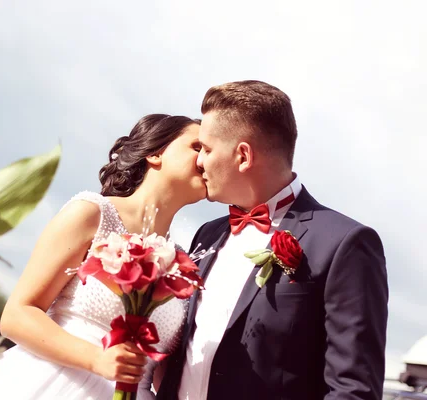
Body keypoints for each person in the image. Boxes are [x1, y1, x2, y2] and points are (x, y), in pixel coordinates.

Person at [157, 80, 389, 400]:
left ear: (243, 156)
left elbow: (353, 389)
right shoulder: (206, 234)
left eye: (207, 149)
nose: (199, 161)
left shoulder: (345, 244)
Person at [0, 114, 206, 399]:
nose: (207, 158)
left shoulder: (183, 261)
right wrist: (96, 359)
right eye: (197, 147)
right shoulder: (91, 214)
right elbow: (16, 315)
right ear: (156, 154)